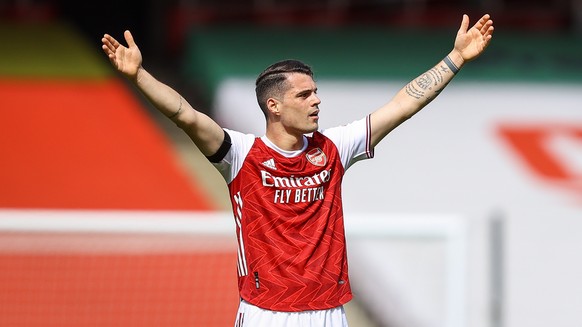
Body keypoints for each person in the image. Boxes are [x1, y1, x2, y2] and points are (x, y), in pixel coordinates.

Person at [102, 13, 494, 327]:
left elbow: (403, 105)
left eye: (316, 92)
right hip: (266, 314)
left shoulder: (335, 147)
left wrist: (455, 58)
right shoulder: (240, 155)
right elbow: (183, 114)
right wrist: (139, 75)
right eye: (304, 95)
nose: (316, 101)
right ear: (274, 106)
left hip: (328, 311)